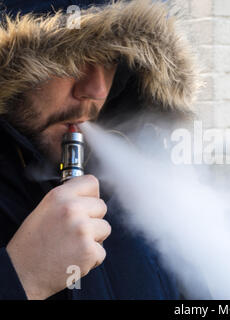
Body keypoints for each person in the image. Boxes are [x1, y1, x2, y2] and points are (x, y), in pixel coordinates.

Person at [0, 0, 199, 299]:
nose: (97, 90)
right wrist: (20, 278)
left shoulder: (142, 175)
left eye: (110, 59)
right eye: (71, 56)